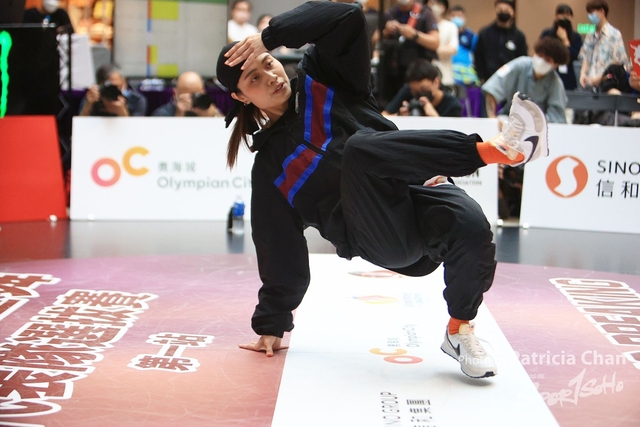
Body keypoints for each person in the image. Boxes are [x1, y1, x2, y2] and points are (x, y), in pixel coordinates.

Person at [217, 1, 549, 379]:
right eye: (254, 79)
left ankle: (459, 331)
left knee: (471, 225)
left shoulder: (325, 79)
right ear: (241, 97)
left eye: (268, 63)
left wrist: (270, 36)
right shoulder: (271, 170)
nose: (270, 77)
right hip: (383, 236)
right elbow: (278, 249)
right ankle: (496, 151)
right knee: (359, 150)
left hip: (417, 195)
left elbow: (348, 17)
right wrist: (272, 323)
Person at [482, 37, 569, 124]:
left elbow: (556, 118)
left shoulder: (556, 83)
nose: (541, 61)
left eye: (547, 59)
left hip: (539, 126)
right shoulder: (520, 65)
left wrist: (534, 125)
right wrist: (492, 118)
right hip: (510, 118)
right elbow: (494, 86)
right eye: (539, 55)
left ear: (555, 65)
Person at [378, 0, 440, 105]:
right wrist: (385, 32)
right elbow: (375, 41)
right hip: (391, 73)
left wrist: (414, 35)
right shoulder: (389, 14)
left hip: (417, 75)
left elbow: (435, 42)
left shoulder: (425, 13)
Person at [382, 59, 462, 117]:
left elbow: (455, 133)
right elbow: (384, 116)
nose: (420, 95)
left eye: (424, 89)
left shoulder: (452, 106)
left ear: (436, 82)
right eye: (415, 92)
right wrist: (399, 116)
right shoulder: (408, 90)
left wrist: (435, 118)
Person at [474, 0, 527, 85]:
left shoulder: (519, 36)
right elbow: (478, 56)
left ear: (513, 12)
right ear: (495, 11)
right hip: (489, 80)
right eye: (500, 10)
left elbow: (522, 59)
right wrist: (482, 77)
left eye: (506, 10)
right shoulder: (485, 33)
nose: (503, 12)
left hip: (511, 81)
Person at [578, 0, 629, 90]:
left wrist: (600, 78)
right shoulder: (590, 34)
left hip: (606, 84)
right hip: (588, 84)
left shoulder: (614, 34)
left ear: (602, 11)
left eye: (592, 13)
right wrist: (582, 74)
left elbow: (617, 61)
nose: (589, 16)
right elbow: (585, 56)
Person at [540, 4, 582, 90]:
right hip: (548, 72)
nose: (564, 17)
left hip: (568, 76)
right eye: (562, 14)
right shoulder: (547, 34)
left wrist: (565, 40)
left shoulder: (576, 37)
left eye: (567, 15)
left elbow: (575, 55)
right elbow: (541, 52)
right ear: (556, 16)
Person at [79, 64, 146, 117]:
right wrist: (87, 107)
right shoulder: (92, 99)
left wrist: (122, 112)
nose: (113, 91)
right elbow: (79, 127)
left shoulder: (136, 100)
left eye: (117, 87)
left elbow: (136, 129)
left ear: (124, 82)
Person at [152, 71, 222, 117]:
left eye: (196, 95)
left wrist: (214, 115)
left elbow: (224, 128)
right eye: (188, 96)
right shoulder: (162, 114)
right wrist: (179, 114)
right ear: (175, 94)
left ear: (203, 92)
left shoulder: (205, 109)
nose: (192, 100)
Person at [427, 0, 458, 88]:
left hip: (445, 76)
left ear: (444, 7)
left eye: (436, 3)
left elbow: (452, 49)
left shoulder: (450, 26)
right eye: (431, 3)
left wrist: (429, 47)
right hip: (426, 76)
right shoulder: (423, 25)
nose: (433, 6)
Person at [449, 5, 479, 87]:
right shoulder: (445, 33)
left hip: (466, 74)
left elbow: (477, 54)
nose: (456, 18)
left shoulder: (471, 36)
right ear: (449, 17)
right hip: (449, 72)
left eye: (459, 16)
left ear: (464, 18)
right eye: (453, 16)